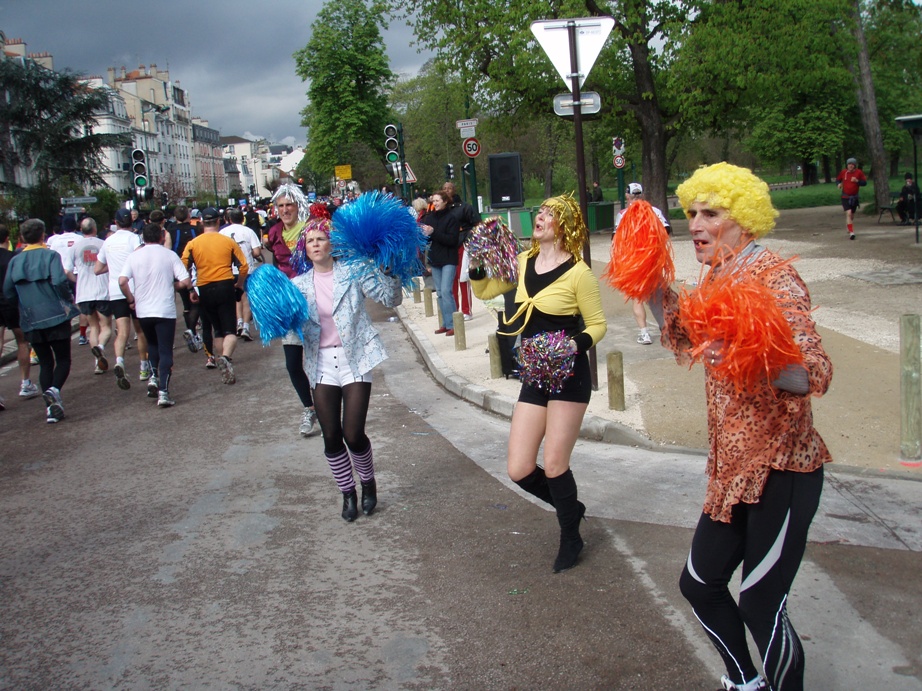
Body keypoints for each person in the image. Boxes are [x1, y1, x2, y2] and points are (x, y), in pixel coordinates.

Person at [654, 162, 832, 691]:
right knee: (700, 585)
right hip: (731, 472)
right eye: (691, 213)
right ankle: (745, 682)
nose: (696, 224)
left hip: (783, 468)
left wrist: (749, 352)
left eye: (711, 213)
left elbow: (813, 373)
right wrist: (647, 279)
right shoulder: (714, 278)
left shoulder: (773, 277)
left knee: (759, 602)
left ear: (745, 220)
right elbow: (682, 337)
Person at [469, 194, 607, 573]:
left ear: (564, 224)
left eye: (547, 214)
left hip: (569, 373)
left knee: (555, 464)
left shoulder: (579, 272)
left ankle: (570, 535)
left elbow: (598, 325)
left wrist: (568, 346)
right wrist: (478, 260)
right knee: (519, 468)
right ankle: (571, 507)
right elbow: (483, 291)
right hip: (535, 374)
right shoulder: (522, 261)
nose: (539, 217)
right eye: (539, 213)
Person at [291, 214, 403, 521]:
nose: (315, 244)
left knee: (353, 434)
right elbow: (290, 331)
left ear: (332, 244)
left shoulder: (353, 271)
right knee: (331, 436)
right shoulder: (297, 286)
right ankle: (347, 494)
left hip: (355, 359)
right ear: (305, 247)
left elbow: (390, 298)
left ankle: (368, 484)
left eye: (321, 239)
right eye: (310, 240)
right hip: (321, 365)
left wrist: (390, 271)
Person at [2, 219, 78, 423]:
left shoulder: (15, 261)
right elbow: (60, 281)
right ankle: (54, 391)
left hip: (30, 318)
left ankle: (50, 410)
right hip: (54, 313)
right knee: (63, 360)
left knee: (45, 363)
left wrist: (21, 304)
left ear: (23, 237)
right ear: (42, 235)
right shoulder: (50, 255)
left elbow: (8, 291)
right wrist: (66, 299)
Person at [263, 184, 319, 436]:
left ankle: (326, 405)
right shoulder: (273, 232)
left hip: (315, 299)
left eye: (289, 205)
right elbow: (276, 268)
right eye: (281, 205)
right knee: (292, 363)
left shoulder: (311, 229)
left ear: (298, 206)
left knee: (320, 357)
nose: (285, 210)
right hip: (288, 305)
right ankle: (309, 408)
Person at [119, 223, 191, 407]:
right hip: (164, 309)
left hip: (143, 310)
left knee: (152, 345)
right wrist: (173, 286)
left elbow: (122, 281)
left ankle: (153, 376)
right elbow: (185, 281)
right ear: (161, 237)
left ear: (143, 238)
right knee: (165, 349)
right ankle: (164, 392)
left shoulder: (134, 256)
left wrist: (130, 298)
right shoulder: (169, 255)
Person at [181, 207, 248, 384]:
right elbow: (243, 266)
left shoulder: (193, 244)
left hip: (204, 286)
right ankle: (225, 358)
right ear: (219, 221)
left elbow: (182, 268)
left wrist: (190, 289)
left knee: (217, 329)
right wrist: (239, 284)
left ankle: (221, 357)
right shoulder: (227, 242)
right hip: (225, 284)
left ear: (202, 222)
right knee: (230, 329)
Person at [615, 182, 672, 345]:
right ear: (642, 194)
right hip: (653, 261)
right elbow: (666, 230)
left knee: (638, 299)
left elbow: (616, 239)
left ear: (627, 195)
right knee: (660, 297)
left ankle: (644, 333)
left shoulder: (623, 214)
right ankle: (667, 331)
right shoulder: (655, 211)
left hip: (634, 264)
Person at [64, 218, 112, 375]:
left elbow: (67, 270)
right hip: (102, 290)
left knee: (93, 328)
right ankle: (101, 347)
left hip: (84, 292)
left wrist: (77, 281)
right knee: (106, 327)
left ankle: (98, 363)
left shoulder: (75, 247)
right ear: (95, 228)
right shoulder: (103, 244)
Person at [0, 224, 40, 402]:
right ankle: (25, 383)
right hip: (11, 303)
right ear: (7, 238)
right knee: (22, 342)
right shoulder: (13, 258)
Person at [420, 190, 460, 336]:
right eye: (433, 201)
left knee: (446, 291)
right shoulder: (429, 218)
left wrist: (433, 232)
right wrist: (424, 235)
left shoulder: (452, 218)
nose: (435, 203)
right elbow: (428, 240)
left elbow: (452, 240)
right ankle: (445, 323)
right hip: (435, 259)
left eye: (437, 200)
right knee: (440, 294)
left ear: (444, 201)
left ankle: (454, 325)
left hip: (449, 258)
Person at [220, 207, 262, 341]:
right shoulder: (248, 231)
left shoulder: (222, 232)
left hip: (229, 270)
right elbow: (256, 252)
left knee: (236, 298)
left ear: (229, 219)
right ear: (243, 219)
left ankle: (238, 322)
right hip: (247, 269)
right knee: (246, 299)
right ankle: (245, 327)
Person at [168, 206, 202, 352]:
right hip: (195, 267)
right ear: (189, 215)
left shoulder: (170, 231)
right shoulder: (197, 229)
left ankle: (191, 329)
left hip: (178, 269)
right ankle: (192, 330)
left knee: (186, 303)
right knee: (197, 301)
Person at [836, 157, 867, 240]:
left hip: (854, 197)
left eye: (852, 164)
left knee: (851, 215)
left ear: (854, 165)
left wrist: (857, 181)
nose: (850, 166)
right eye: (849, 164)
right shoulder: (843, 172)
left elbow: (864, 183)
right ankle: (852, 232)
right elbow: (838, 180)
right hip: (845, 196)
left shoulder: (859, 172)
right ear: (847, 165)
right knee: (848, 213)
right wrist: (838, 184)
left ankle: (848, 225)